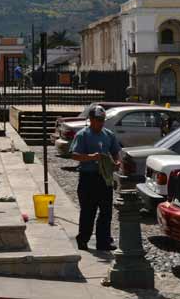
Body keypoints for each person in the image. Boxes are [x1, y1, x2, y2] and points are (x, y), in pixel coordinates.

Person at [70, 105, 121, 251]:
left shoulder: (108, 134)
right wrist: (90, 157)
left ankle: (103, 241)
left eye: (102, 120)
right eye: (98, 120)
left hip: (104, 177)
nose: (101, 123)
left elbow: (115, 151)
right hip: (88, 177)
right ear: (91, 120)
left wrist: (117, 162)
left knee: (106, 211)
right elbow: (74, 154)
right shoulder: (83, 135)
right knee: (88, 211)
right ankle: (83, 239)